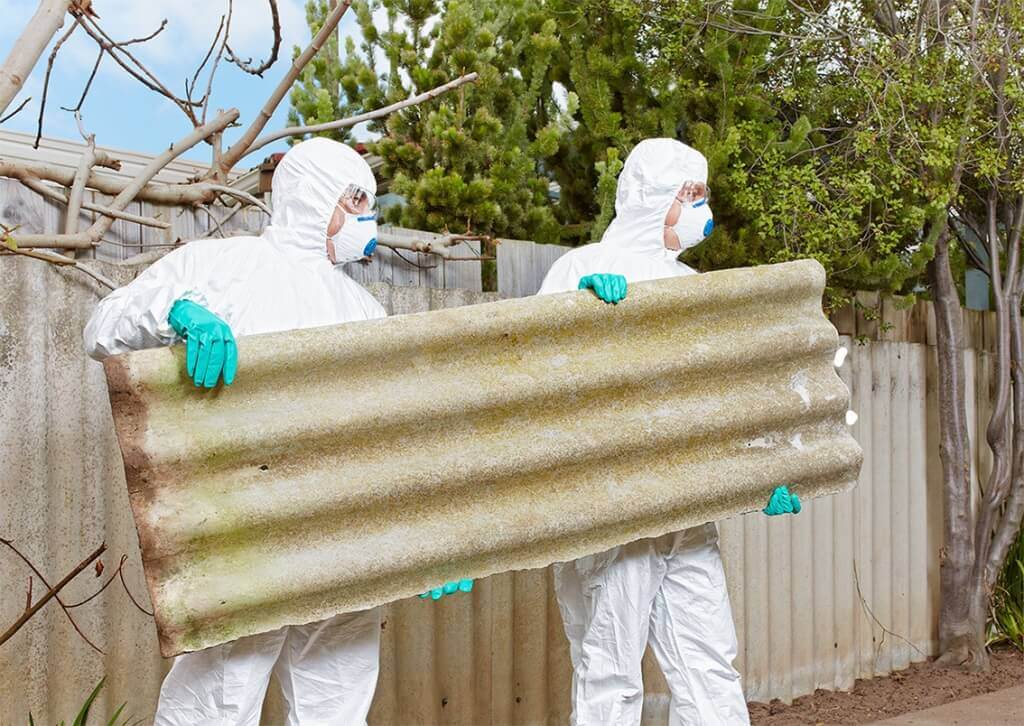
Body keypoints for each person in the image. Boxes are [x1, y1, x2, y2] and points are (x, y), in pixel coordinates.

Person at [85, 137, 389, 725]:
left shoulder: (363, 308)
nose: (365, 217)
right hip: (241, 529)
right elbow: (101, 326)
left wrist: (427, 543)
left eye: (368, 202)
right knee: (219, 698)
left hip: (338, 533)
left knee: (338, 700)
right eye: (355, 200)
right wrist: (177, 312)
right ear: (313, 196)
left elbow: (386, 431)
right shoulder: (218, 266)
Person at [538, 138, 800, 726]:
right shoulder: (579, 269)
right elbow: (539, 384)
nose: (704, 211)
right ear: (657, 197)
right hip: (615, 508)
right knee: (610, 668)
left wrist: (765, 479)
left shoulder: (691, 286)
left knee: (709, 661)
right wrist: (579, 312)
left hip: (687, 506)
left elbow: (720, 399)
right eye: (694, 196)